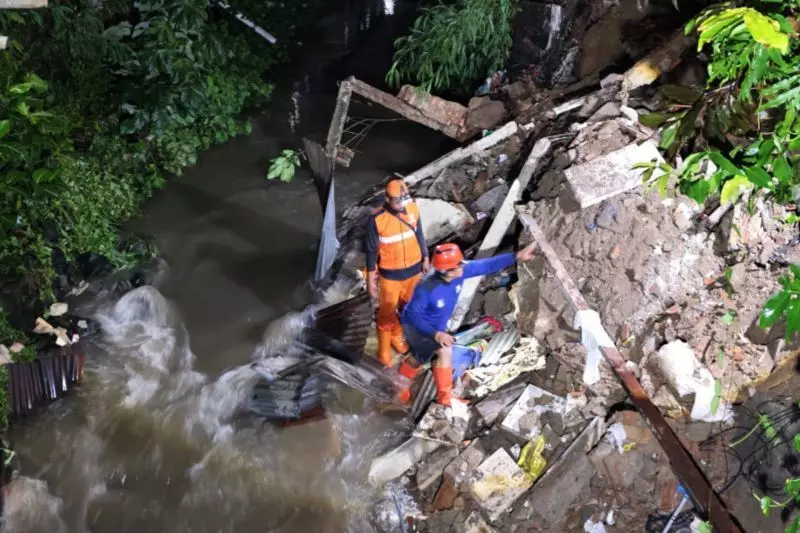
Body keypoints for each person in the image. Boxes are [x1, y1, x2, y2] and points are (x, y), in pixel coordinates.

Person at [397, 242, 537, 407]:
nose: (463, 267)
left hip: (436, 326)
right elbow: (411, 316)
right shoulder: (426, 288)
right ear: (445, 271)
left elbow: (486, 265)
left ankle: (400, 388)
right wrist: (436, 334)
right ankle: (444, 397)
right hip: (417, 327)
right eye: (458, 265)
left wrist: (517, 256)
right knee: (444, 350)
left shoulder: (460, 272)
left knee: (417, 358)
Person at [365, 178, 430, 367]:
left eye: (404, 199)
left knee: (407, 308)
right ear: (387, 199)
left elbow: (419, 234)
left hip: (414, 272)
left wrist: (426, 256)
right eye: (397, 200)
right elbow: (371, 250)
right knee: (386, 313)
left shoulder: (413, 208)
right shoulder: (377, 219)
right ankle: (384, 353)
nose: (402, 204)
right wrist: (370, 279)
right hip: (391, 276)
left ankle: (398, 336)